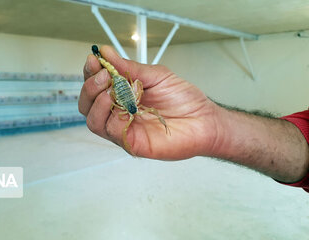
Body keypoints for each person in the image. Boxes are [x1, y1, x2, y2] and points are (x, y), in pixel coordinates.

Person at [78, 45, 309, 192]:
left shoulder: (132, 109)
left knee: (116, 94)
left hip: (125, 93)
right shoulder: (133, 108)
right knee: (110, 90)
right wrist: (212, 126)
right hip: (122, 89)